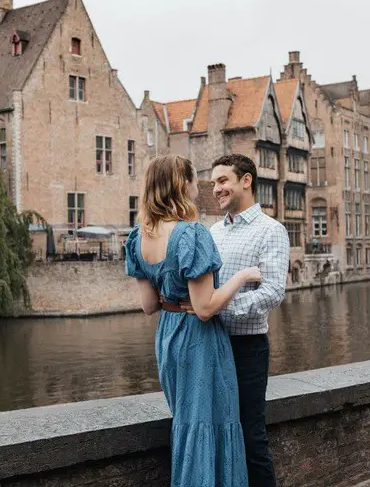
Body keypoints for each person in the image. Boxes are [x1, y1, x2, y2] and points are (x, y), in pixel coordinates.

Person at [124, 154, 261, 487]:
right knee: (212, 422)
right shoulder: (191, 235)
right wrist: (242, 276)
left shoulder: (138, 238)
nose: (198, 186)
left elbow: (148, 306)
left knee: (188, 422)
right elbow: (204, 308)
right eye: (193, 180)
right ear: (181, 184)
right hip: (199, 340)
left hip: (168, 337)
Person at [207, 153, 290, 487]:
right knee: (215, 431)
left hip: (247, 349)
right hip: (210, 346)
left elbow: (272, 292)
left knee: (251, 435)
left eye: (223, 180)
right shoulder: (212, 232)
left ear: (246, 180)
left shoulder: (271, 231)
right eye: (214, 182)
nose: (216, 189)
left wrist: (219, 308)